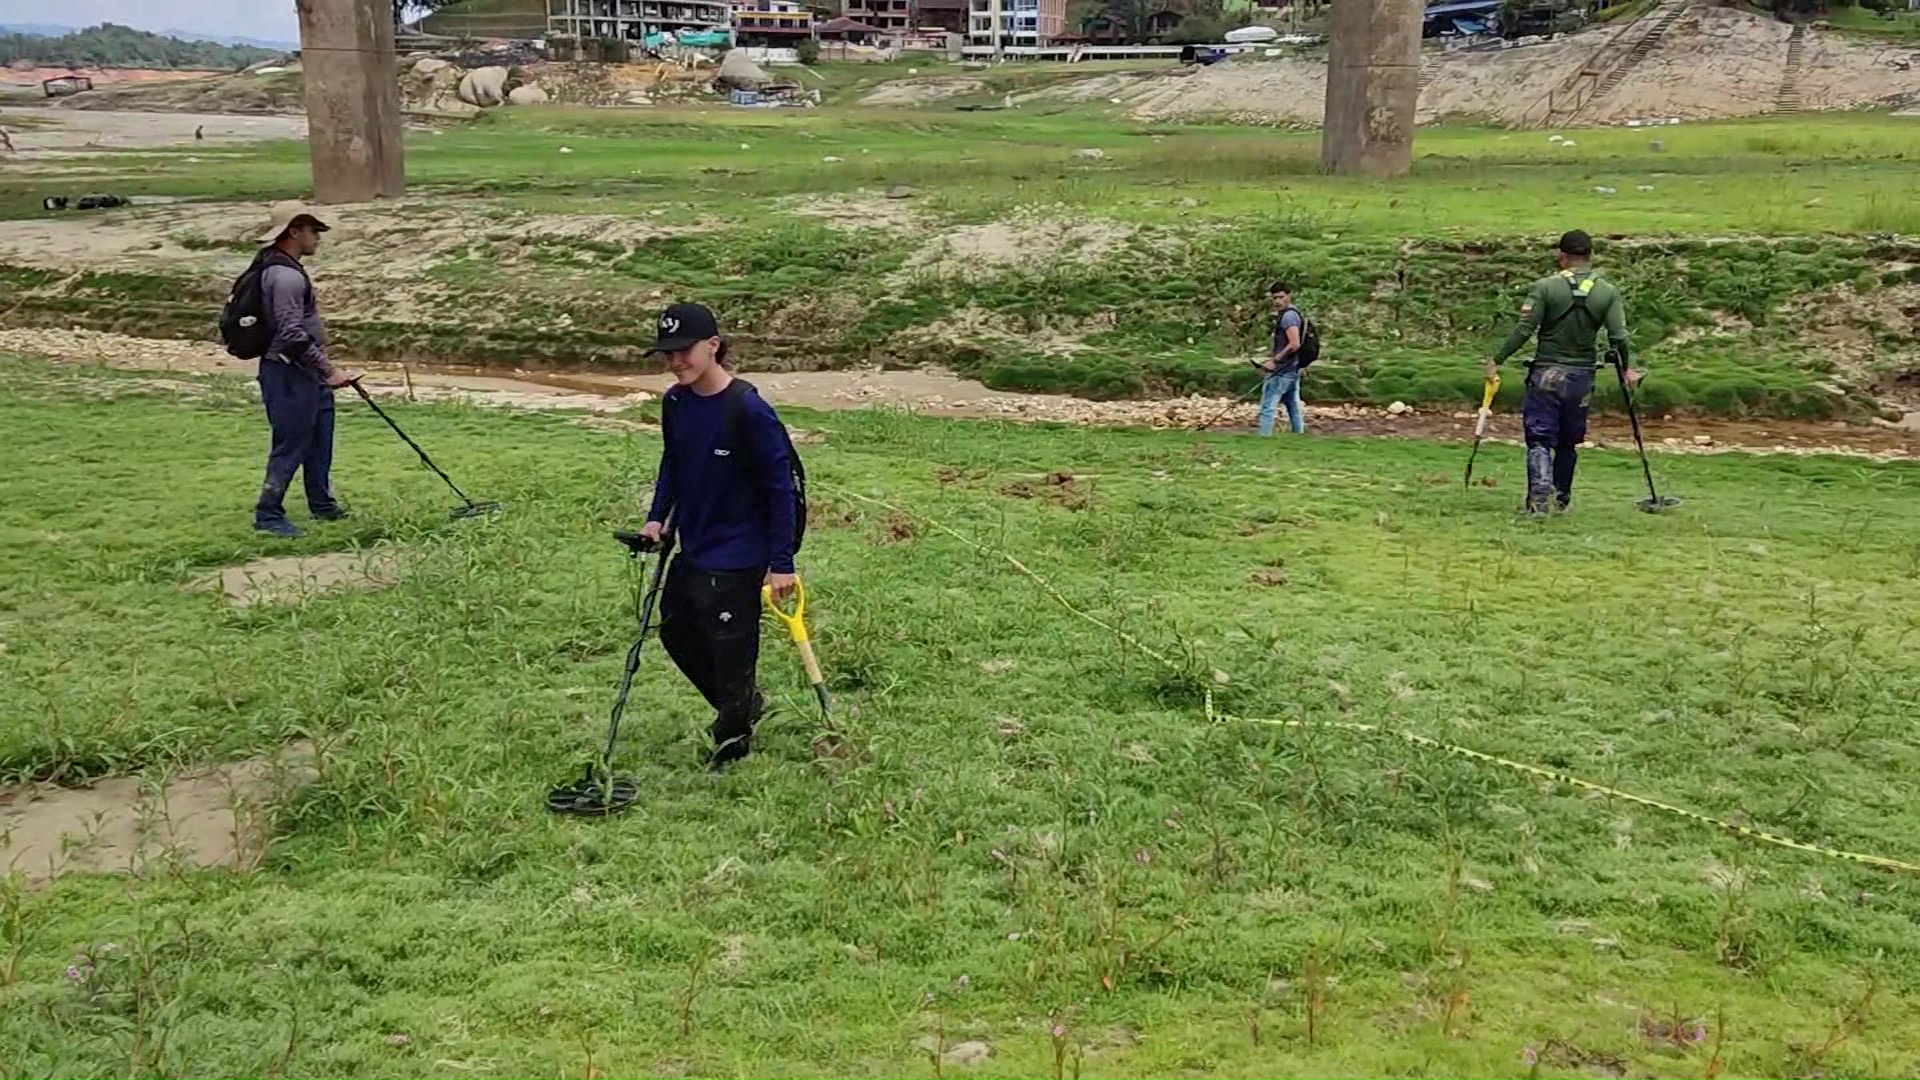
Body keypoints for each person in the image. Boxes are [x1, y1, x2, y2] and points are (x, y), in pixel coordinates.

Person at [639, 303, 801, 771]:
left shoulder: (749, 409)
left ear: (713, 346)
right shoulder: (675, 402)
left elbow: (780, 490)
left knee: (732, 652)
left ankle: (731, 745)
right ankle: (744, 704)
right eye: (667, 355)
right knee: (675, 631)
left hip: (742, 551)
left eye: (683, 352)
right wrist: (657, 518)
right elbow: (674, 461)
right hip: (694, 544)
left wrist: (782, 562)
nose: (675, 363)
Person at [1487, 230, 1640, 516]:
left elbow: (1524, 329)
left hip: (1546, 371)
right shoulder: (1607, 291)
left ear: (1561, 256)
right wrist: (1626, 367)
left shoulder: (1544, 287)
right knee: (1569, 441)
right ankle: (1561, 499)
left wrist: (1497, 359)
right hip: (1582, 376)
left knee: (1540, 438)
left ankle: (1539, 499)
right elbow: (1619, 336)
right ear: (1590, 256)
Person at [251, 202, 360, 538]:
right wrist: (329, 371)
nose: (317, 237)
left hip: (304, 371)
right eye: (313, 230)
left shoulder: (286, 269)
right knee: (292, 442)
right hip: (288, 372)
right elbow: (291, 334)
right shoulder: (283, 276)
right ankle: (268, 515)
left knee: (319, 438)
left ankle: (322, 505)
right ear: (294, 231)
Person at [1259, 282, 1306, 436]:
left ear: (1289, 295)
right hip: (1293, 367)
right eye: (1274, 298)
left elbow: (1294, 344)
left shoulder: (1288, 317)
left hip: (1283, 369)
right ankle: (1298, 434)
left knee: (1268, 406)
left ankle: (1263, 438)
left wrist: (1275, 360)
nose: (1277, 301)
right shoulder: (1294, 313)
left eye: (1281, 297)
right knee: (1292, 404)